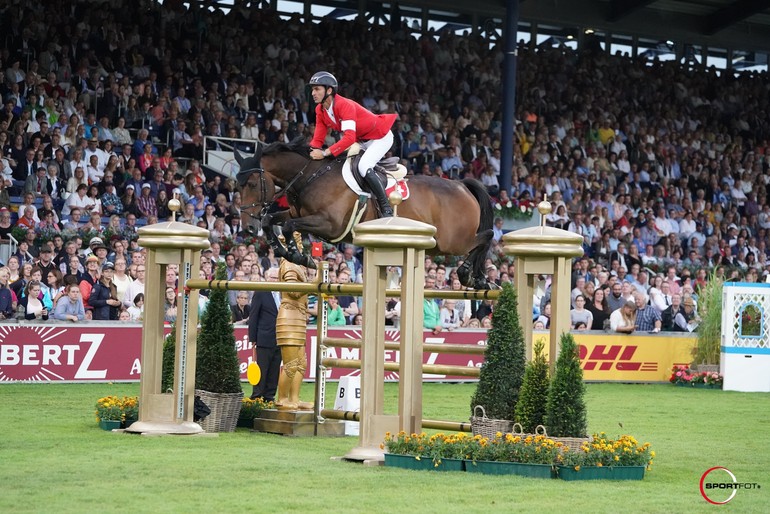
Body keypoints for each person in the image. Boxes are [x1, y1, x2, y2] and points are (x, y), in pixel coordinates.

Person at [307, 71, 397, 217]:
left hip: (380, 137)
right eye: (312, 89)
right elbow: (318, 139)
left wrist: (324, 153)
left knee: (363, 166)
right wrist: (310, 153)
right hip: (361, 140)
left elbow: (348, 138)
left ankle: (385, 207)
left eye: (317, 89)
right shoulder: (320, 110)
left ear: (329, 90)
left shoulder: (344, 105)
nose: (313, 93)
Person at [248, 267, 281, 402]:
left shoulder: (283, 293)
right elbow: (253, 315)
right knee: (261, 369)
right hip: (264, 338)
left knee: (274, 370)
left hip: (280, 338)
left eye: (278, 278)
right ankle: (257, 397)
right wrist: (253, 338)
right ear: (267, 278)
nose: (276, 280)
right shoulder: (261, 292)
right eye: (273, 278)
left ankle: (269, 396)